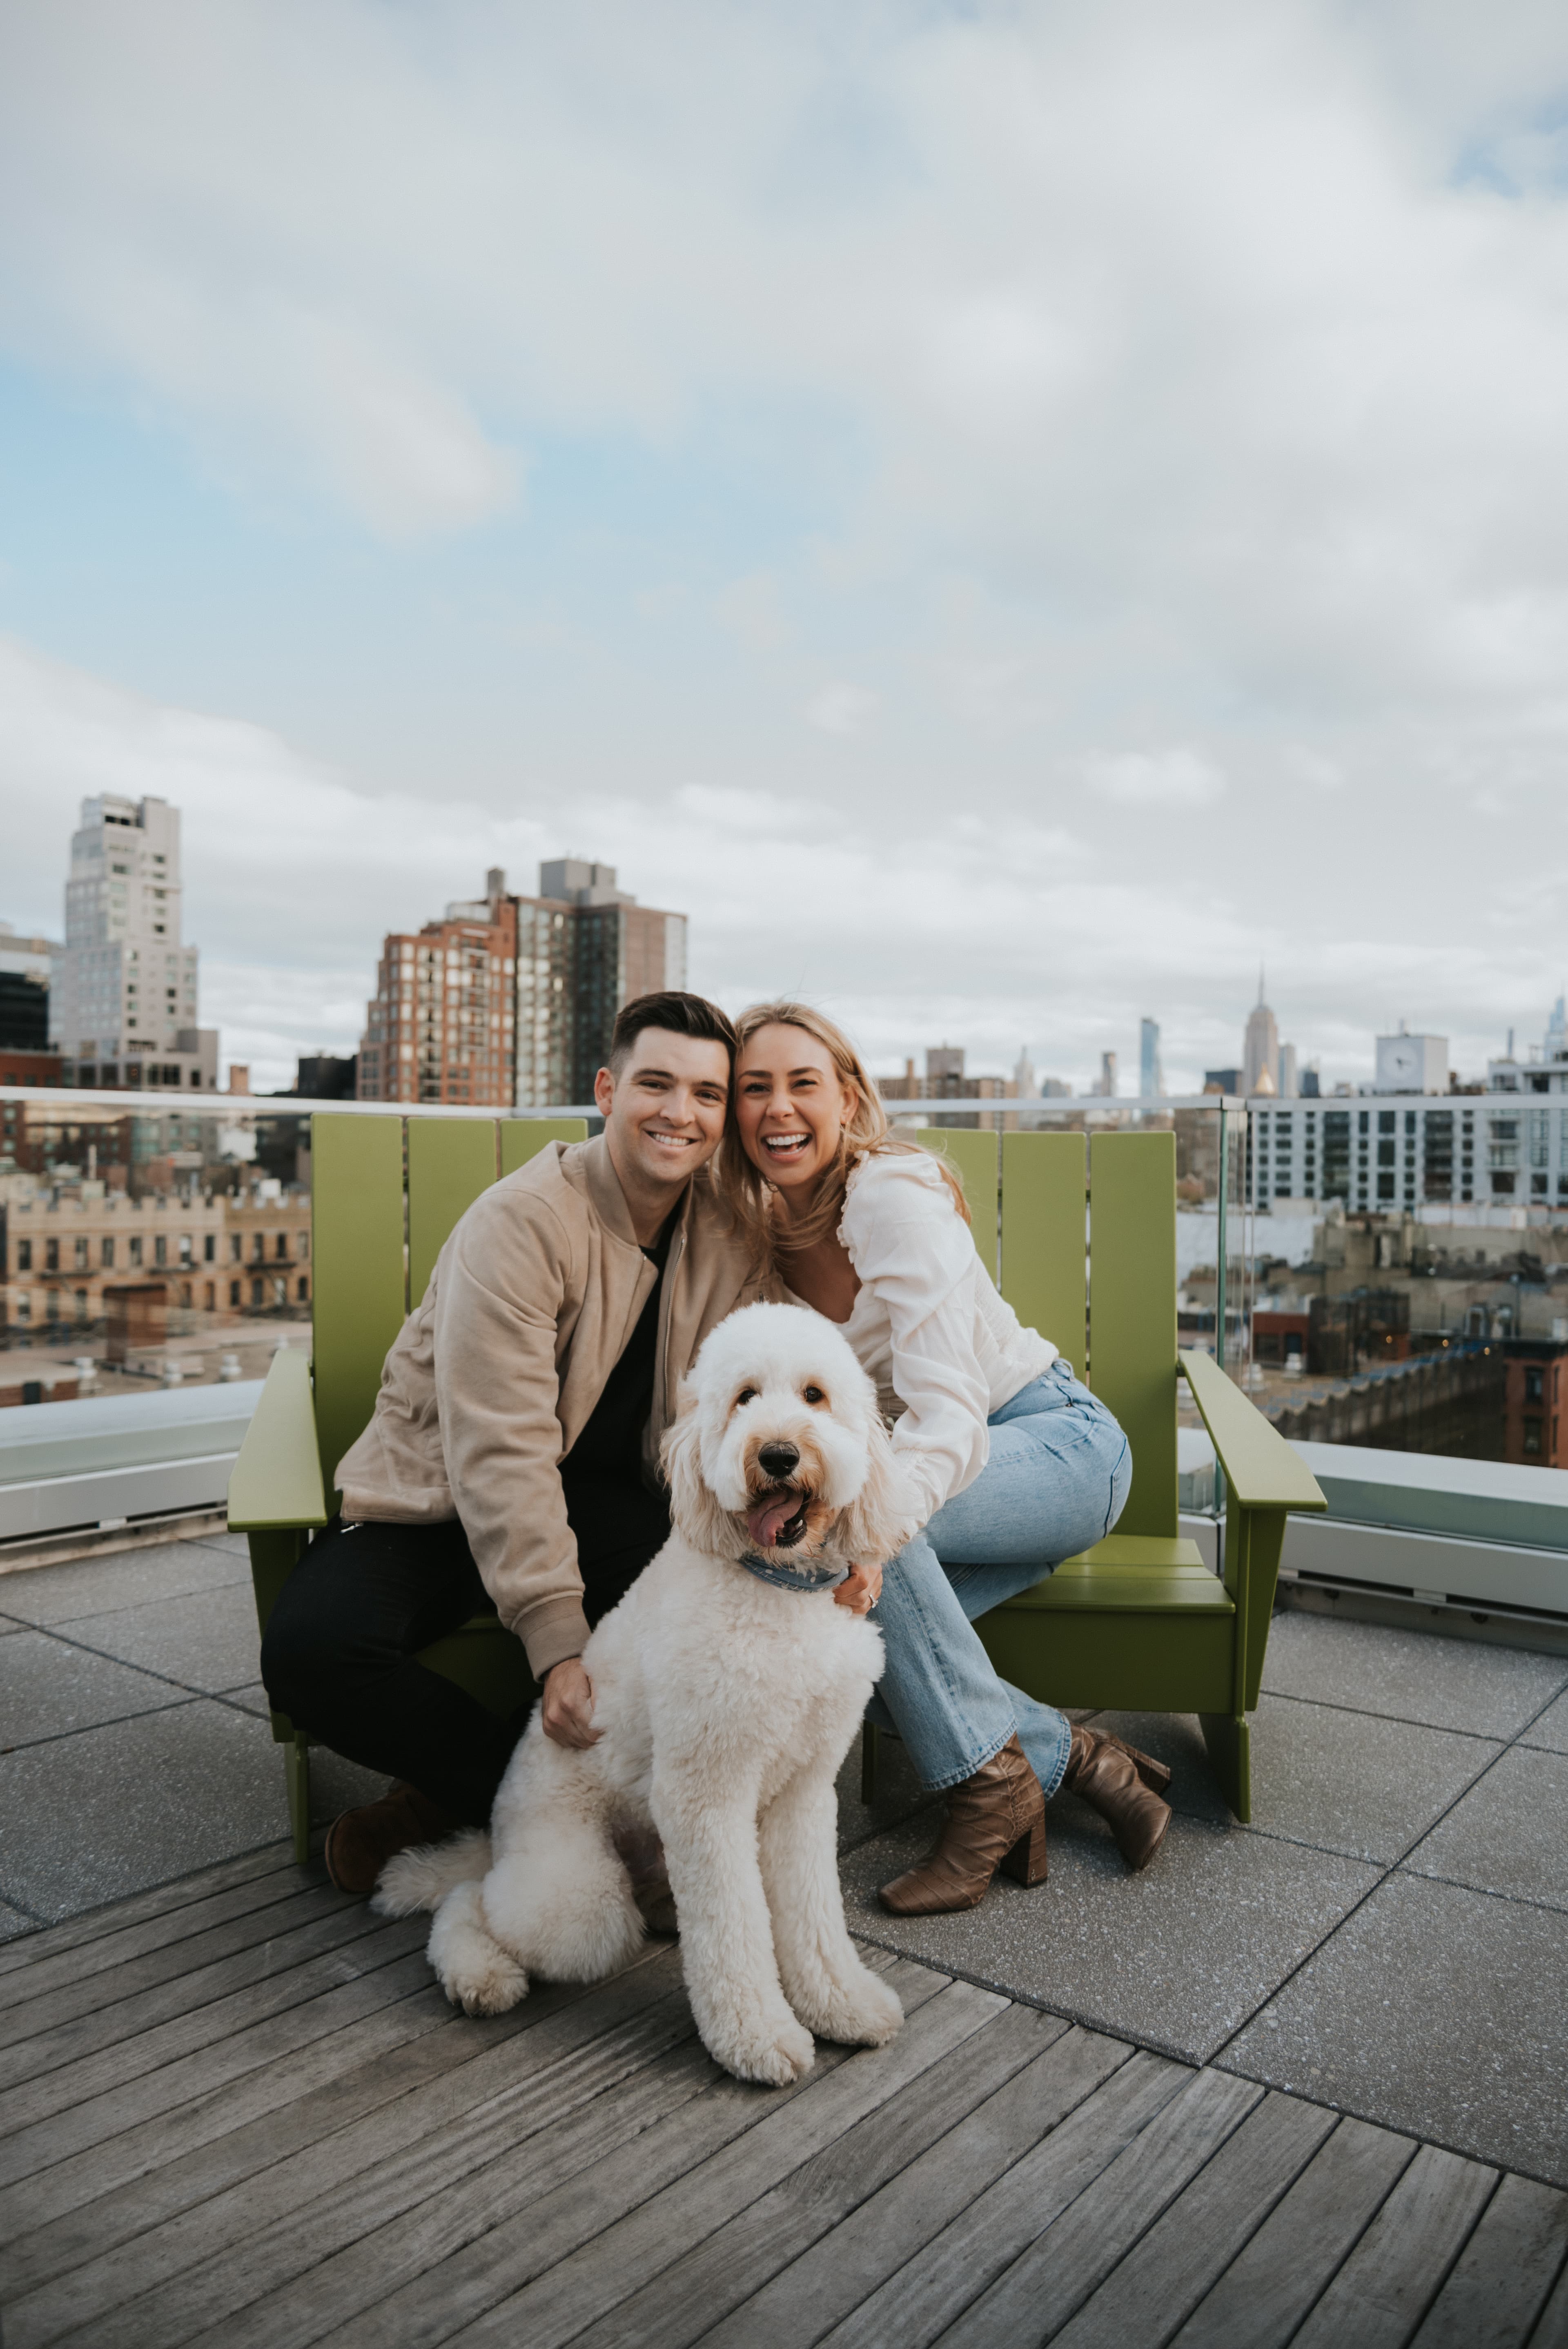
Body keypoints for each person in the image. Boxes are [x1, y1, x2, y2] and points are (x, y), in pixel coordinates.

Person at [262, 990, 818, 1894]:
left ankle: (481, 1809)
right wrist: (558, 1641)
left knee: (712, 1619)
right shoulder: (521, 1221)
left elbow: (776, 1380)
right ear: (607, 1090)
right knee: (311, 1653)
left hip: (608, 1504)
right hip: (439, 1500)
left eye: (708, 1095)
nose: (680, 1113)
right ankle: (522, 1807)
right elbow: (501, 1450)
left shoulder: (728, 1232)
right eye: (656, 1084)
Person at [720, 1001, 1172, 1916]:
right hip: (947, 1483)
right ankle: (1078, 1759)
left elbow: (952, 1412)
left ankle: (987, 1792)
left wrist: (873, 1530)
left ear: (848, 1099)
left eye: (803, 1083)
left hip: (1056, 1446)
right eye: (754, 1088)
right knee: (849, 1639)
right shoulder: (759, 1231)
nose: (778, 1107)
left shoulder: (889, 1196)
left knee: (844, 1541)